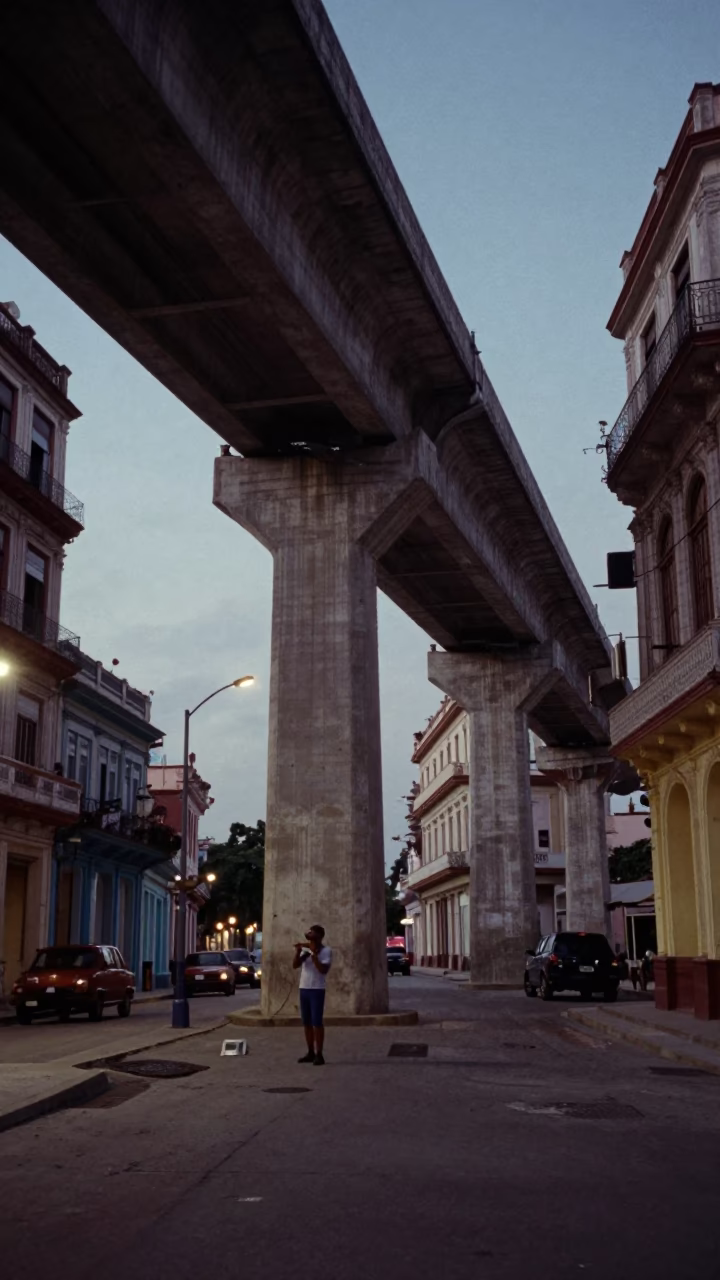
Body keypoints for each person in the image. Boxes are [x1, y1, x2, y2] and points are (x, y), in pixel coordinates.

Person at [293, 924, 332, 1066]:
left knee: (317, 1022)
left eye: (313, 935)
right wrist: (299, 952)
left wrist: (315, 954)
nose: (311, 938)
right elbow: (295, 965)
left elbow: (323, 969)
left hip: (317, 989)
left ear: (320, 937)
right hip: (304, 988)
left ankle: (319, 1053)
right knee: (307, 1022)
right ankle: (310, 1052)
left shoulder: (326, 951)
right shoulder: (306, 950)